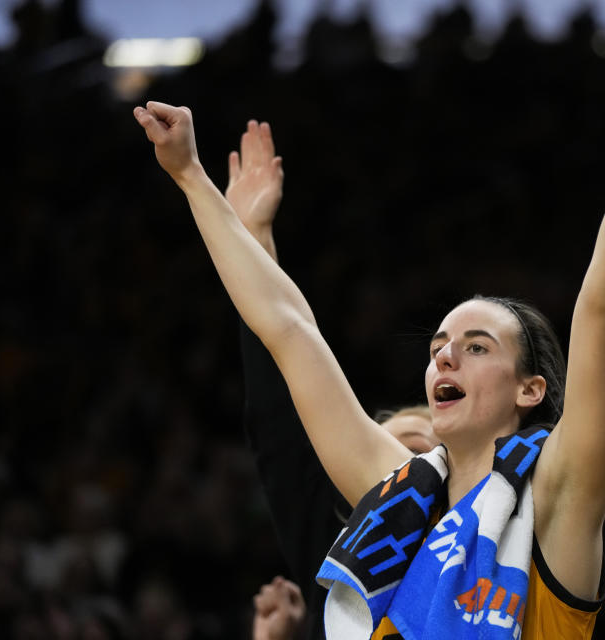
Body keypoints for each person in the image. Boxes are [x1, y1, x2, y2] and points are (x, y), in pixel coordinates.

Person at [133, 16, 605, 639]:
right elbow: (289, 330)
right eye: (439, 347)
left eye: (476, 347)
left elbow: (604, 302)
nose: (445, 359)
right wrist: (190, 178)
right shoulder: (396, 497)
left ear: (530, 389)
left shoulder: (556, 499)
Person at [224, 118, 438, 639]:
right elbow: (278, 416)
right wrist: (251, 240)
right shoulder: (335, 552)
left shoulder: (498, 549)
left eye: (428, 454)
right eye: (400, 447)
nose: (410, 461)